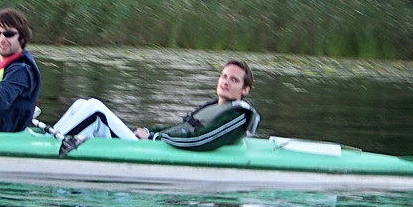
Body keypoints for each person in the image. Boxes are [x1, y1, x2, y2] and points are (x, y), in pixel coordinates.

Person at [51, 59, 260, 151]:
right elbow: (180, 128)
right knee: (82, 104)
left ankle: (49, 146)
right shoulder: (213, 105)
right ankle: (53, 136)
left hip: (157, 150)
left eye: (234, 80)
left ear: (245, 89)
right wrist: (152, 131)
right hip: (156, 144)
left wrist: (156, 137)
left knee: (95, 109)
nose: (225, 82)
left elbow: (202, 141)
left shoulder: (238, 115)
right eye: (224, 76)